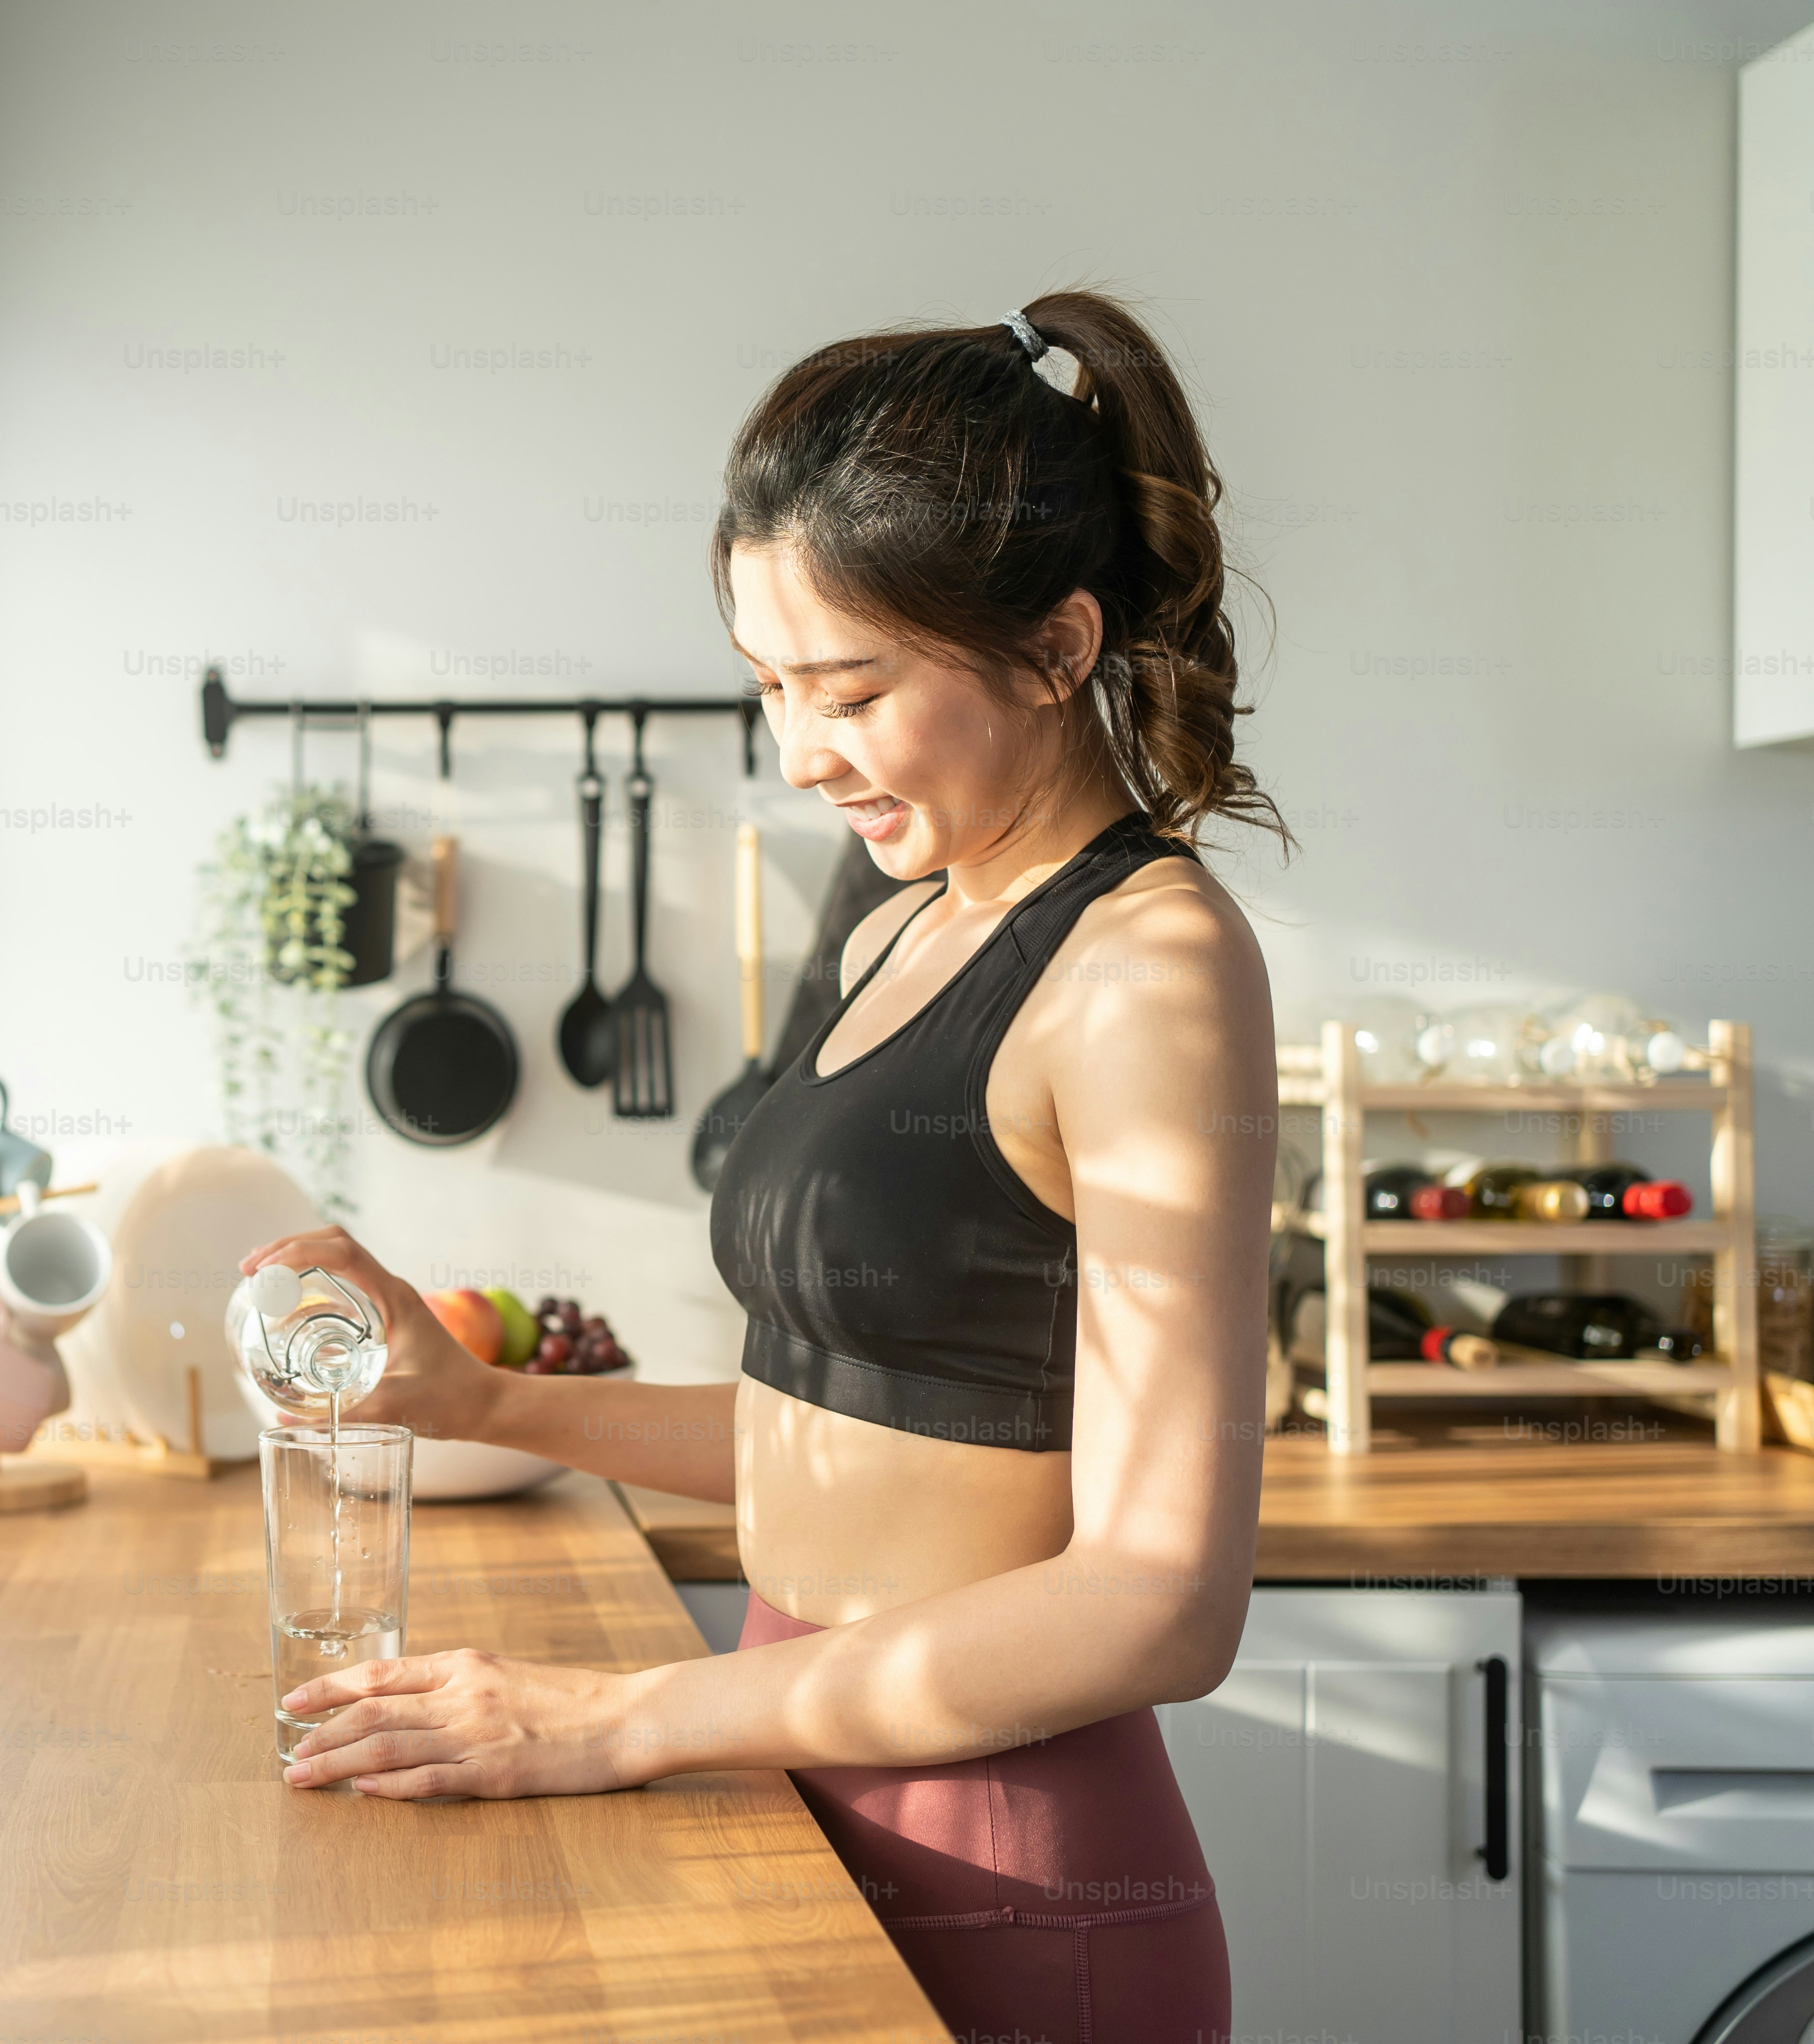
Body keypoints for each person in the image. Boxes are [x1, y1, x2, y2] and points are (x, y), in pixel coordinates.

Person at [243, 291, 1283, 2043]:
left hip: (1013, 1866)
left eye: (854, 689)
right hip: (795, 1763)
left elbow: (1161, 1600)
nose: (802, 754)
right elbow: (870, 1441)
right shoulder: (902, 926)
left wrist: (615, 1719)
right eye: (773, 689)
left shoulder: (1150, 971)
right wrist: (486, 1403)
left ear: (1056, 647)